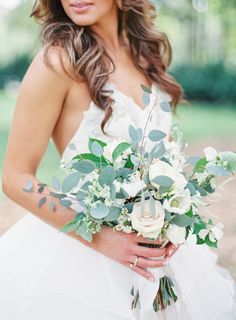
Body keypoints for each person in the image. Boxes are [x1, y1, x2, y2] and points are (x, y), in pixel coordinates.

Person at [1, 1, 236, 319]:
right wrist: (100, 238)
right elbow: (16, 178)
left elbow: (162, 155)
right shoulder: (57, 62)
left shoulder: (143, 54)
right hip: (85, 255)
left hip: (159, 256)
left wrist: (174, 217)